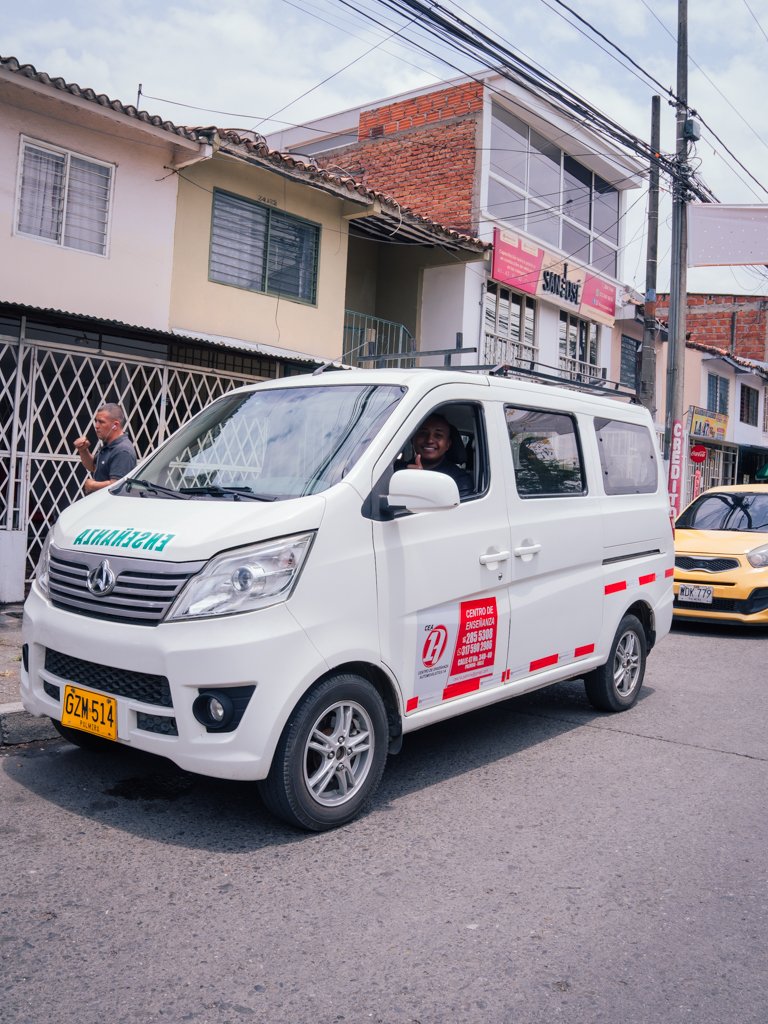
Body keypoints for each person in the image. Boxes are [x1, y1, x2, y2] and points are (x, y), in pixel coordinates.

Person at [74, 403, 137, 495]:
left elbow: (118, 484)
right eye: (96, 421)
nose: (96, 426)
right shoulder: (109, 445)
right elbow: (93, 467)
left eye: (101, 422)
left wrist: (93, 485)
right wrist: (83, 450)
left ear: (115, 425)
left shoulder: (122, 450)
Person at [405, 413, 473, 498]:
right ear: (412, 440)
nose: (429, 440)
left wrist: (422, 483)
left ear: (448, 444)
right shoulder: (394, 470)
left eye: (438, 435)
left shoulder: (459, 480)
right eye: (423, 433)